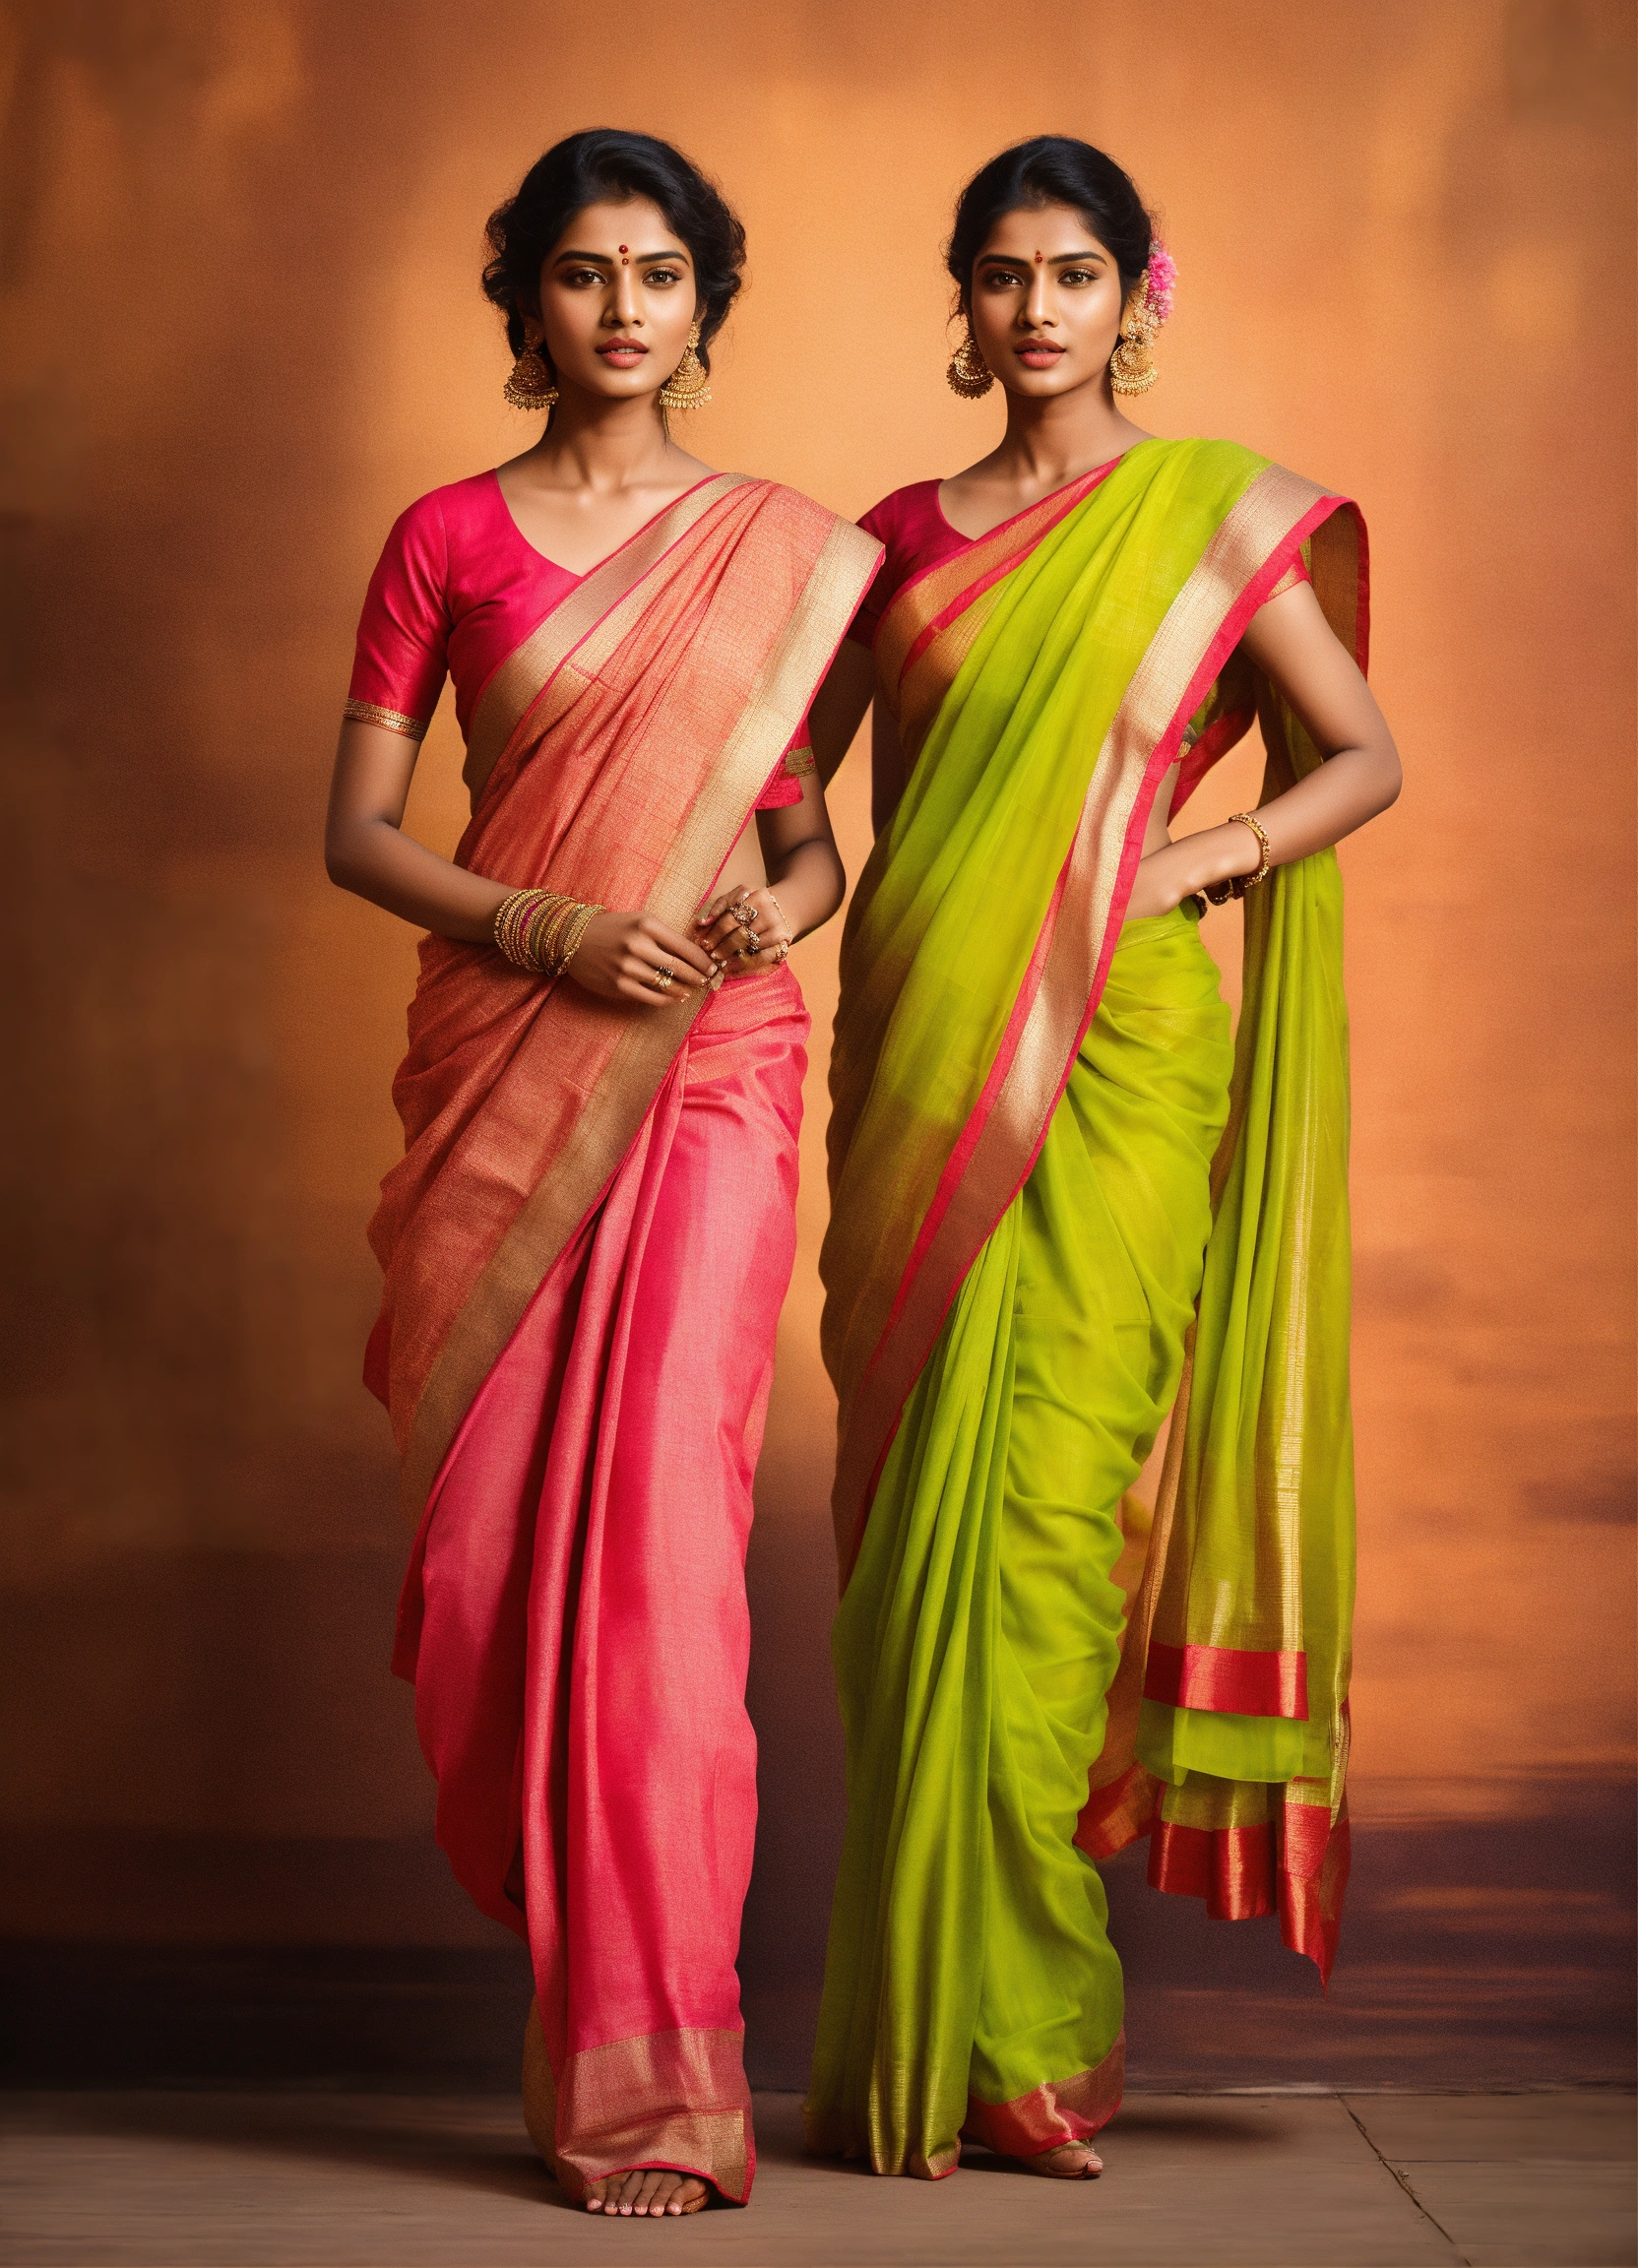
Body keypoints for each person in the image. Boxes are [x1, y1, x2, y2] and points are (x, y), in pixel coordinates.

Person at [801, 136, 1400, 2183]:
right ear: (962, 304)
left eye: (1073, 273)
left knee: (1050, 1533)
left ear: (1142, 291)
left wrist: (1197, 860)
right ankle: (934, 2029)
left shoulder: (1213, 512)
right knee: (917, 1559)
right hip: (925, 1057)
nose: (1036, 309)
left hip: (1126, 1057)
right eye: (1002, 274)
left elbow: (1363, 754)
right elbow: (820, 796)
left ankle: (1032, 2040)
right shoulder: (893, 540)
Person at [324, 129, 879, 2219]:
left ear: (704, 304)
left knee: (659, 1551)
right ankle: (579, 1983)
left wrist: (757, 924)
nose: (625, 306)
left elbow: (807, 850)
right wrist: (548, 929)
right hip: (512, 1047)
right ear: (528, 304)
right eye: (584, 272)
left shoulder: (773, 552)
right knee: (486, 1573)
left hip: (712, 1065)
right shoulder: (444, 538)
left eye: (660, 272)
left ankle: (658, 2085)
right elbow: (358, 834)